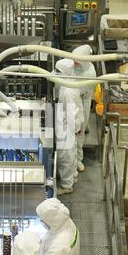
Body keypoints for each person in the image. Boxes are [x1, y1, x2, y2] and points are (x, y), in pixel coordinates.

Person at [55, 58, 84, 195]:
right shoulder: (72, 80)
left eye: (58, 71)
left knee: (65, 156)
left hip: (67, 127)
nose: (55, 73)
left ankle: (67, 186)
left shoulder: (67, 91)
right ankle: (72, 176)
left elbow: (72, 112)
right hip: (70, 125)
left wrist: (73, 130)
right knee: (71, 154)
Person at [73, 45, 96, 172]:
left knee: (79, 132)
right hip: (74, 101)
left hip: (82, 103)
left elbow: (76, 90)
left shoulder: (90, 72)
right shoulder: (76, 64)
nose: (74, 64)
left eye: (77, 62)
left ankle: (78, 159)